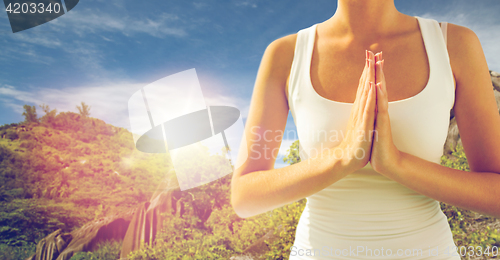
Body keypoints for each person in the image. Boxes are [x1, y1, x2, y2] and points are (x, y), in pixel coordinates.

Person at [231, 0, 500, 259]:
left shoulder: (454, 44)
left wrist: (397, 164)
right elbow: (245, 196)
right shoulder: (286, 55)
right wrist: (343, 157)